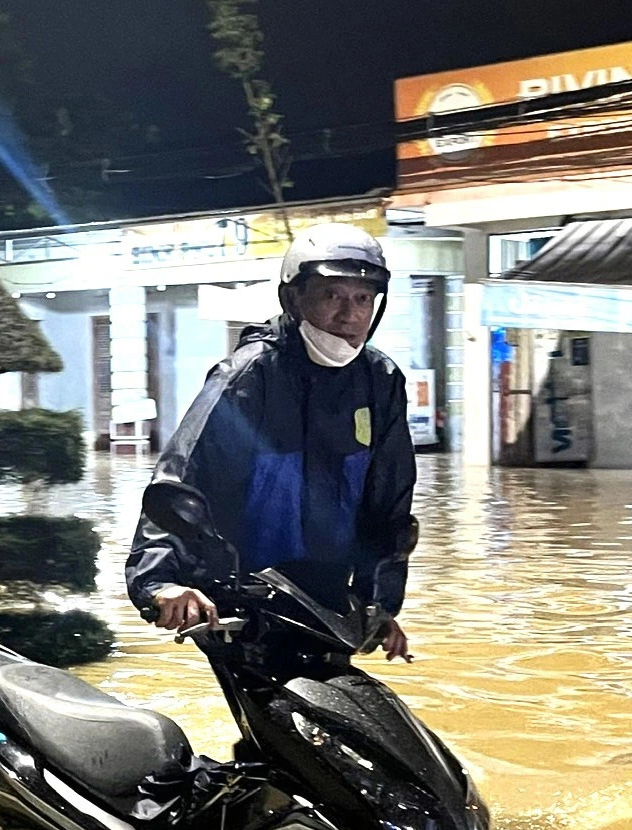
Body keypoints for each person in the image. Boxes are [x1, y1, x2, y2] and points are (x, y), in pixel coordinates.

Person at [126, 223, 417, 661]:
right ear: (293, 298)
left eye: (363, 298)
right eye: (332, 296)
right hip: (245, 605)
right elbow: (182, 483)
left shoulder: (380, 381)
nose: (350, 314)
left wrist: (379, 605)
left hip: (330, 608)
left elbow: (388, 505)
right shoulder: (248, 378)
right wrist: (161, 583)